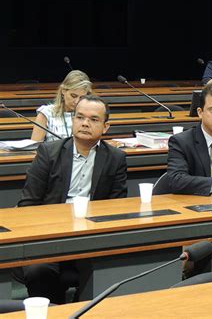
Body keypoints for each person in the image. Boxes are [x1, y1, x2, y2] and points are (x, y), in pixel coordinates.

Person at [18, 95, 127, 303]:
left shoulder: (116, 158)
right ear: (73, 121)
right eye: (80, 117)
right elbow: (27, 205)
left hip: (92, 239)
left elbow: (117, 208)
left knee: (111, 266)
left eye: (94, 119)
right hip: (51, 236)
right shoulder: (49, 153)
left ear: (105, 127)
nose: (85, 123)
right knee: (38, 269)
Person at [31, 70, 93, 142]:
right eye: (73, 96)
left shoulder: (89, 115)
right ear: (63, 91)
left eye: (81, 97)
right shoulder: (46, 113)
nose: (77, 101)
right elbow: (35, 147)